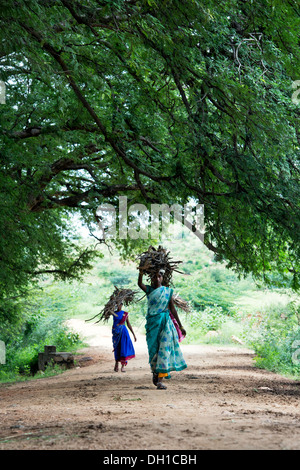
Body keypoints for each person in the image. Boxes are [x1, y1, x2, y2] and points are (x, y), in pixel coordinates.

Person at [138, 270, 187, 389]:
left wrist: (180, 326)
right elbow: (140, 284)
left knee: (164, 350)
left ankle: (160, 380)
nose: (157, 278)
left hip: (165, 324)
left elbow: (172, 309)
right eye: (155, 276)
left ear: (162, 278)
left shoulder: (168, 291)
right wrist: (141, 271)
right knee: (153, 350)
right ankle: (156, 371)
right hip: (152, 324)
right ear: (152, 279)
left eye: (159, 276)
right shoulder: (149, 290)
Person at [112, 302, 136, 372]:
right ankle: (116, 364)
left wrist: (133, 334)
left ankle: (123, 366)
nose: (119, 306)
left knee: (124, 348)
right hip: (116, 333)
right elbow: (108, 310)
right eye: (117, 304)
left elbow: (128, 324)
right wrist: (112, 300)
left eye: (120, 304)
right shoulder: (114, 313)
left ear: (122, 305)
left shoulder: (125, 314)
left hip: (123, 332)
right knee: (117, 348)